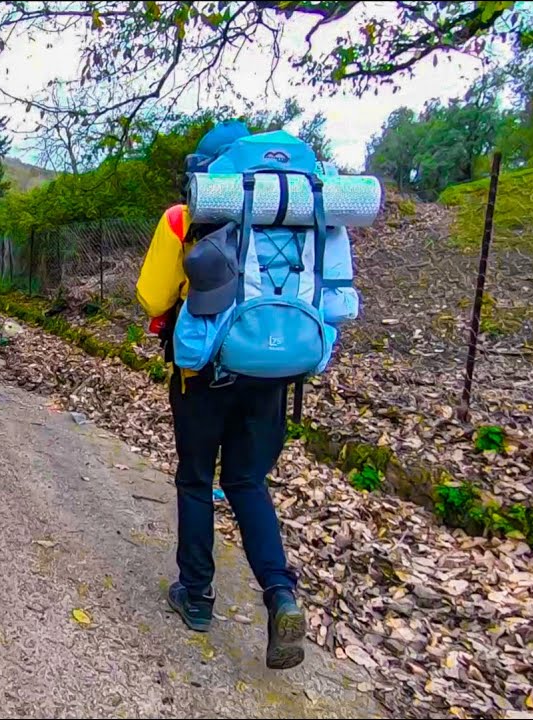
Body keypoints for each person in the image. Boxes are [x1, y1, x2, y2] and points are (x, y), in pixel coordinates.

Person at [135, 119, 305, 671]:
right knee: (247, 480)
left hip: (203, 373)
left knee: (195, 478)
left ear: (202, 171)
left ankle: (198, 595)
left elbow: (152, 295)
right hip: (273, 371)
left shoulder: (185, 216)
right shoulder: (296, 212)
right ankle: (280, 594)